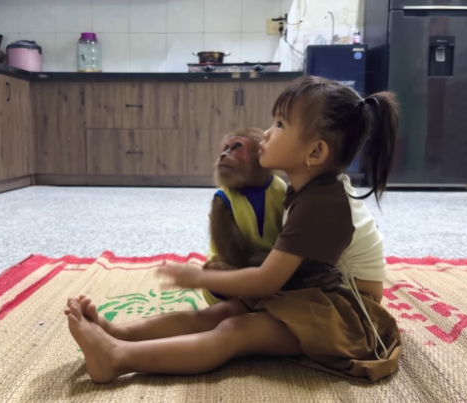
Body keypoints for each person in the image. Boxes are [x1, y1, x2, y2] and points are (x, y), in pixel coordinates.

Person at [64, 75, 402, 384]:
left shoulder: (323, 203)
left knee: (235, 330)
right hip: (318, 295)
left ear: (315, 152)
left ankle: (116, 357)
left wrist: (199, 278)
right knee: (222, 311)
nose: (266, 133)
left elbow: (266, 281)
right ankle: (118, 332)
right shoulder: (308, 188)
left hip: (350, 317)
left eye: (280, 124)